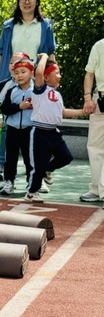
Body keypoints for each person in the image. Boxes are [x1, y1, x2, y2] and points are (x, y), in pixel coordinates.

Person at [0, 0, 56, 173]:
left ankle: (40, 168)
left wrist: (53, 79)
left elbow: (50, 53)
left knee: (39, 123)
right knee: (8, 122)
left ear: (37, 2)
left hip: (37, 80)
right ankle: (1, 164)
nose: (27, 2)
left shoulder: (45, 25)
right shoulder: (8, 25)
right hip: (11, 78)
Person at [24, 53, 85, 203]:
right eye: (56, 72)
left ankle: (48, 170)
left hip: (53, 132)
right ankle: (31, 192)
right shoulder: (40, 90)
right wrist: (44, 57)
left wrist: (83, 112)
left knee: (66, 157)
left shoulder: (57, 94)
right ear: (45, 78)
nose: (59, 75)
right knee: (37, 167)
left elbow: (63, 112)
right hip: (39, 133)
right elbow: (38, 72)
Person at [0, 55, 34, 196]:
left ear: (32, 73)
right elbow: (4, 109)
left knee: (30, 158)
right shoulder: (12, 91)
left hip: (29, 130)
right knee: (10, 158)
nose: (19, 76)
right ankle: (9, 182)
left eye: (23, 72)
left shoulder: (36, 91)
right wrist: (19, 106)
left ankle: (32, 184)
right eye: (16, 73)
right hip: (13, 129)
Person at [81, 38, 104, 203]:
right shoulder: (99, 45)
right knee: (94, 146)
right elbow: (89, 73)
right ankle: (96, 188)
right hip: (99, 98)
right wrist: (88, 97)